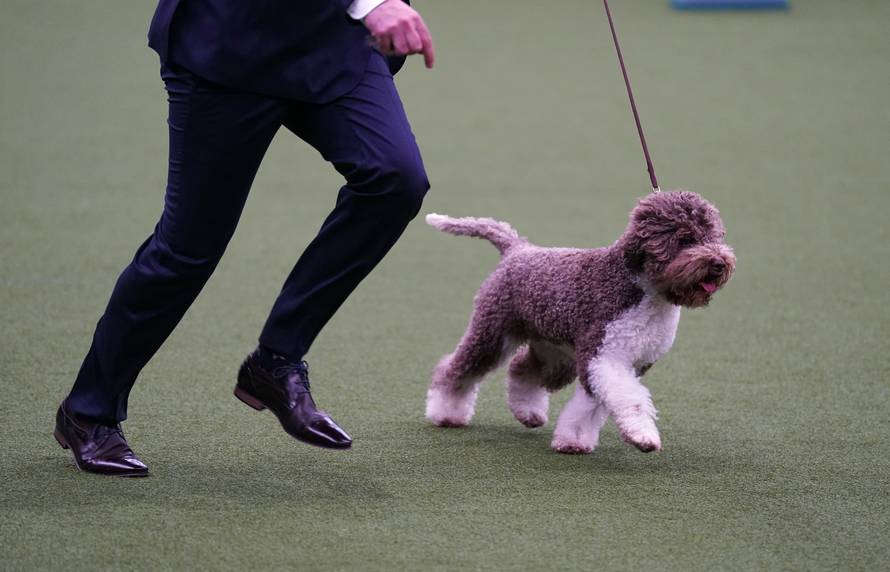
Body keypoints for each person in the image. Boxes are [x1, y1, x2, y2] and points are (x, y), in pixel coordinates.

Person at [53, 0, 436, 477]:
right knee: (187, 249)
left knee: (395, 180)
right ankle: (87, 410)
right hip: (228, 42)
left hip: (330, 40)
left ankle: (276, 361)